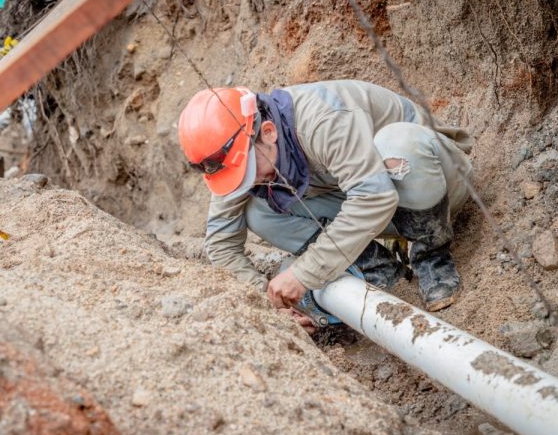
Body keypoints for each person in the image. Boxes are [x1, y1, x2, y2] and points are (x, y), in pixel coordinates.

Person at [177, 80, 473, 331]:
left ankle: (432, 257)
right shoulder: (236, 158)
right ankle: (380, 270)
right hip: (380, 207)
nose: (248, 181)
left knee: (399, 146)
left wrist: (304, 274)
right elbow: (220, 243)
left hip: (435, 183)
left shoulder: (322, 120)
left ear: (268, 132)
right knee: (259, 213)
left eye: (248, 170)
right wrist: (269, 306)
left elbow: (374, 197)